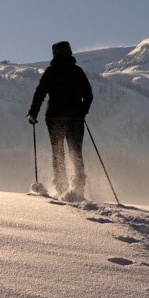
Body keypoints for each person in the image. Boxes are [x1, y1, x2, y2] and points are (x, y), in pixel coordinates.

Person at [27, 41, 93, 200]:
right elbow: (88, 95)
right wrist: (82, 111)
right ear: (69, 52)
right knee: (75, 152)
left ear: (54, 54)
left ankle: (61, 187)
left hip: (54, 118)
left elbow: (40, 93)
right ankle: (78, 189)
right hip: (75, 118)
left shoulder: (51, 72)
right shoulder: (77, 71)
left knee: (58, 153)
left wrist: (33, 113)